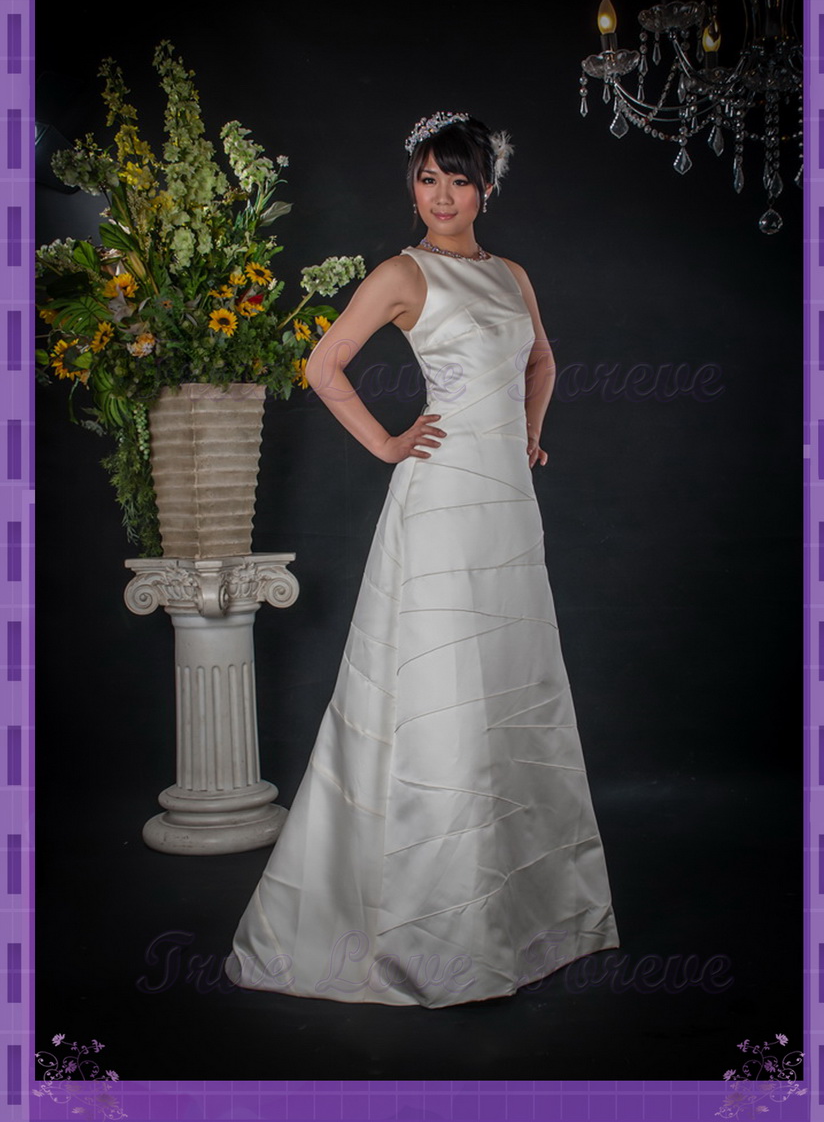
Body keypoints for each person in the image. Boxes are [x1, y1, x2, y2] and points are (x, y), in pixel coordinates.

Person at [224, 112, 620, 1007]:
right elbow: (323, 366)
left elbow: (543, 363)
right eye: (429, 178)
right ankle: (436, 923)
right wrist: (388, 443)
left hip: (505, 505)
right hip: (440, 501)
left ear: (487, 188)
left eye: (460, 179)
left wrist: (528, 434)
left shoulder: (512, 275)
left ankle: (524, 917)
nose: (442, 196)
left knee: (509, 678)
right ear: (412, 185)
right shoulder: (403, 274)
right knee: (442, 686)